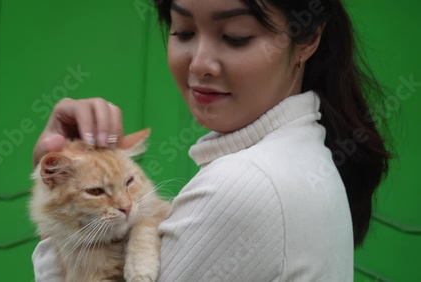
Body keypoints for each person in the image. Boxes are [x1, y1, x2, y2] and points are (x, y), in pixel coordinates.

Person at [32, 0, 392, 281]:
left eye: (236, 36)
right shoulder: (307, 152)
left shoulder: (243, 184)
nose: (199, 64)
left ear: (307, 40)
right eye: (184, 32)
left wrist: (55, 242)